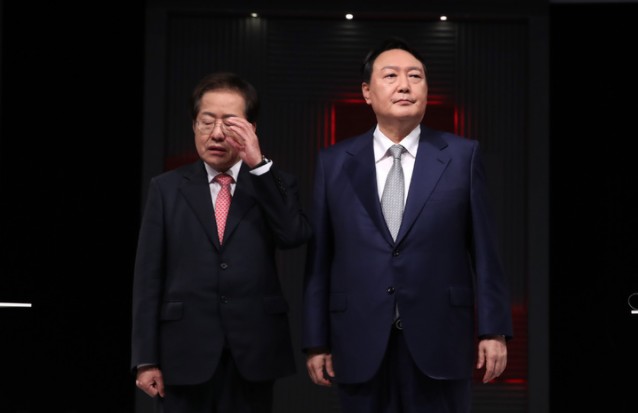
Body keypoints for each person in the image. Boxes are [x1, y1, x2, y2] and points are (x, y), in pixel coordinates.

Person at [302, 37, 513, 413]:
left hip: (441, 336)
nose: (404, 85)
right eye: (391, 76)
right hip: (358, 337)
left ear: (427, 90)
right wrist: (316, 341)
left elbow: (485, 252)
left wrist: (493, 330)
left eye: (415, 76)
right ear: (367, 92)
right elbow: (320, 260)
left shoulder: (462, 156)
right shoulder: (334, 162)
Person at [131, 71, 312, 413]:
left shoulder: (274, 183)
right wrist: (145, 358)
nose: (216, 134)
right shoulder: (166, 189)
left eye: (230, 123)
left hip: (254, 351)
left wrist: (258, 165)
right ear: (194, 125)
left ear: (251, 128)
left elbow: (293, 235)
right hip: (182, 351)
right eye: (206, 122)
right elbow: (147, 278)